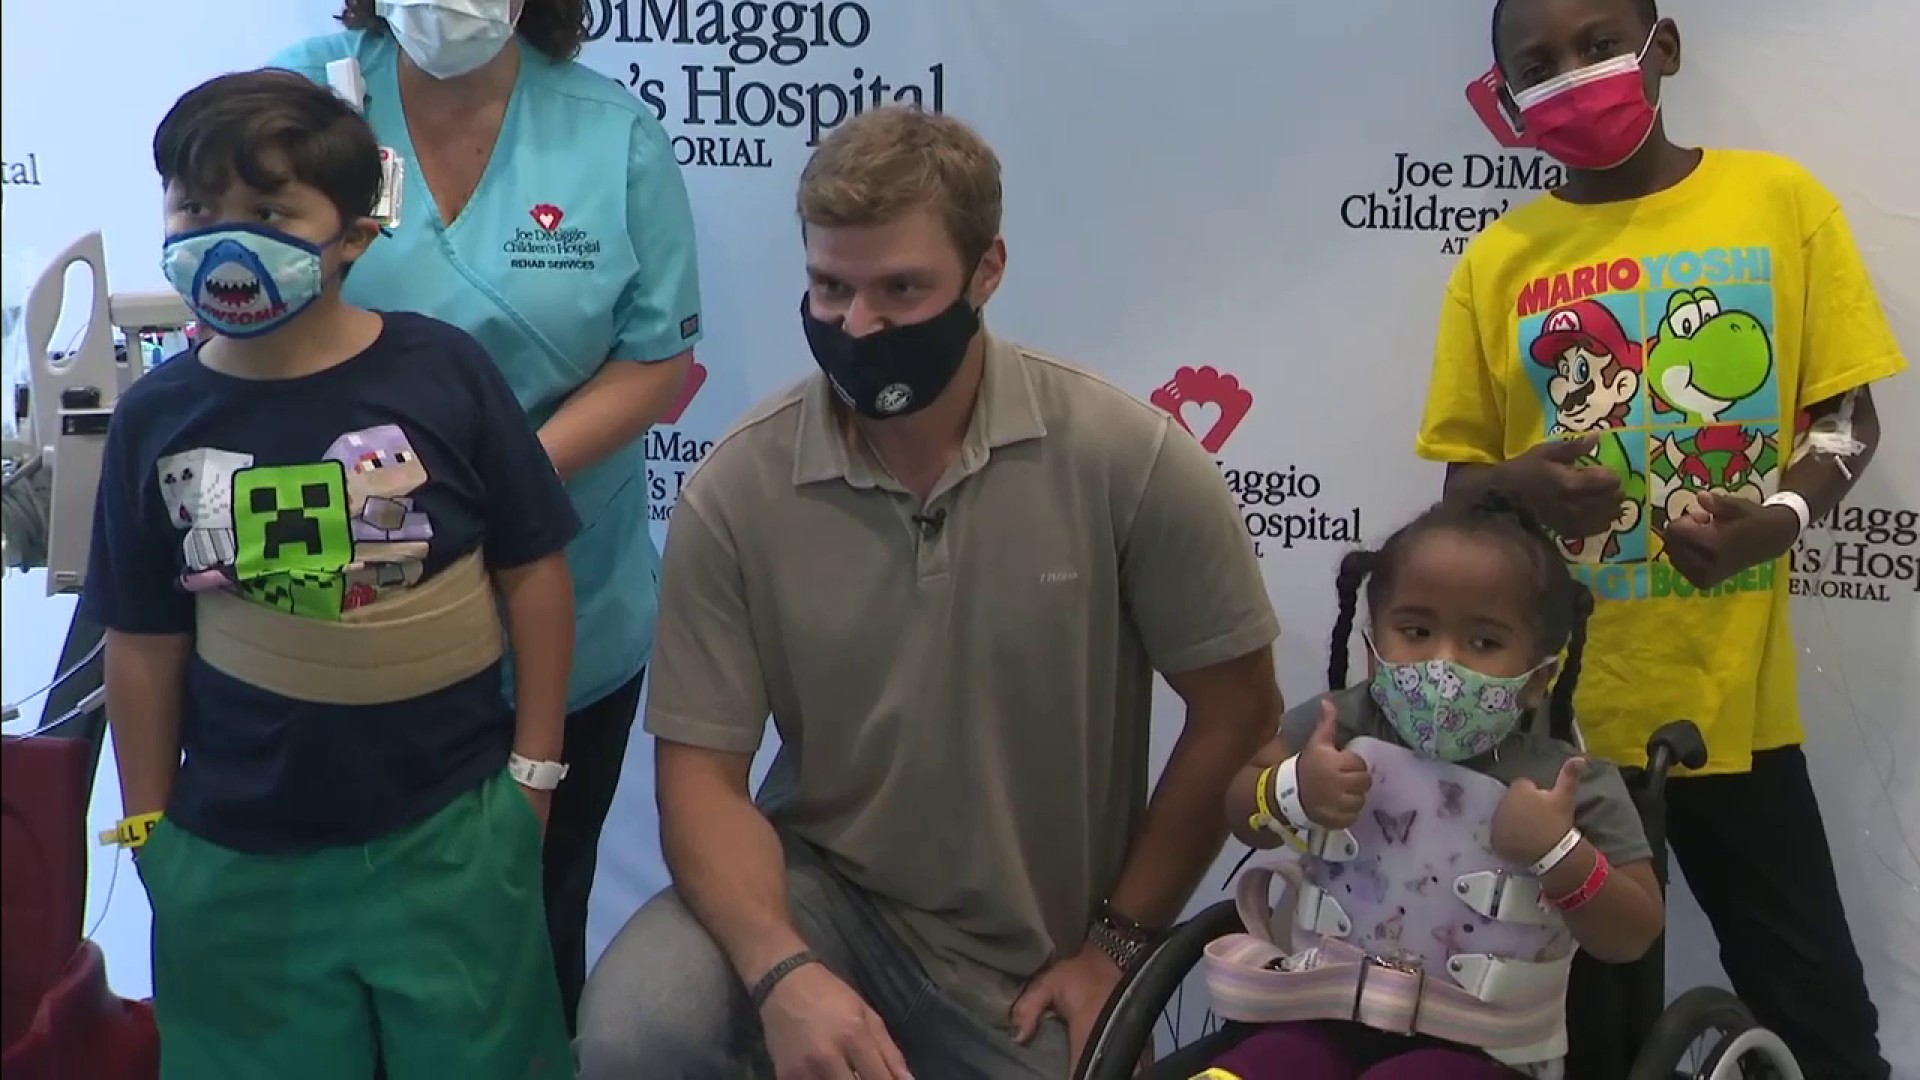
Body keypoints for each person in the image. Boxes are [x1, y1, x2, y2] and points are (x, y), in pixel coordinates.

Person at [575, 105, 1284, 1080]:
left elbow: (1238, 715)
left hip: (1029, 956)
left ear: (986, 272)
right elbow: (699, 781)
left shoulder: (1129, 460)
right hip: (819, 897)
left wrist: (1116, 946)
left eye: (902, 289)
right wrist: (783, 972)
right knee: (636, 1031)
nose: (858, 325)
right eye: (830, 287)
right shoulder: (739, 489)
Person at [1416, 1, 1905, 1077]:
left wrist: (1772, 523)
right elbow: (1462, 484)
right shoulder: (1499, 261)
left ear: (1664, 49)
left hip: (1731, 712)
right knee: (1577, 1034)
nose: (1573, 76)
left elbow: (1842, 417)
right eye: (1536, 66)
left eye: (1598, 45)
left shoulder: (1777, 204)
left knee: (1820, 1019)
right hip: (1552, 733)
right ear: (1503, 101)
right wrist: (1518, 489)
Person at [85, 70, 580, 1079]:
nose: (225, 237)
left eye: (268, 212)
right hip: (234, 854)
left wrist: (532, 778)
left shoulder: (444, 373)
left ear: (353, 234)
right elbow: (139, 643)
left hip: (451, 830)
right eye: (196, 206)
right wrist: (150, 834)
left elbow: (533, 575)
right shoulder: (156, 418)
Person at [268, 0, 704, 1029]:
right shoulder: (308, 94)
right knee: (339, 955)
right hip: (337, 620)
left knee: (521, 939)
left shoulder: (612, 135)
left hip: (564, 613)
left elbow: (657, 359)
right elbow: (234, 301)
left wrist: (498, 484)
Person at [1194, 494, 1663, 1080]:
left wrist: (1558, 852)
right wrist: (1292, 790)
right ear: (1373, 647)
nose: (1442, 664)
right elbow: (1241, 811)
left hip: (1481, 1050)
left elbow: (1634, 934)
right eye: (1415, 630)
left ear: (1539, 677)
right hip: (1320, 1013)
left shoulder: (1569, 782)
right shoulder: (1335, 728)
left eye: (1484, 643)